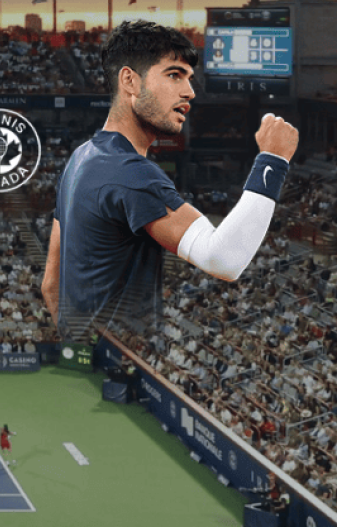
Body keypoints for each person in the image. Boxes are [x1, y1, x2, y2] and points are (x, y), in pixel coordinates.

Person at [42, 19, 298, 340]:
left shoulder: (82, 156)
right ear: (130, 81)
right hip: (123, 374)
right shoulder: (131, 173)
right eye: (174, 75)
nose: (189, 92)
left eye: (190, 78)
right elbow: (224, 259)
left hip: (88, 367)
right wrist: (272, 161)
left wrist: (79, 351)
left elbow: (51, 285)